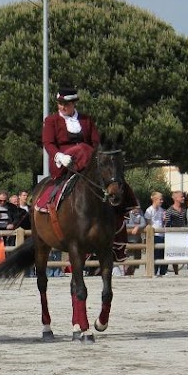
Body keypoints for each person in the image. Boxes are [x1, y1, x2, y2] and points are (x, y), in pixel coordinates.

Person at [41, 87, 133, 261]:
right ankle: (50, 210)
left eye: (65, 104)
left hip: (87, 160)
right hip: (64, 161)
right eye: (59, 104)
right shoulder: (51, 120)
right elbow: (48, 142)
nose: (61, 107)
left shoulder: (86, 120)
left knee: (114, 178)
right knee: (81, 150)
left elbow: (95, 143)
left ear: (73, 104)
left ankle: (121, 213)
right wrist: (59, 155)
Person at [144, 192, 167, 276]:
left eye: (162, 199)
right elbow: (148, 224)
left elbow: (163, 223)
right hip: (154, 235)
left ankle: (163, 272)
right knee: (155, 255)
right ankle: (153, 271)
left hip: (162, 234)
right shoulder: (149, 210)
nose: (162, 201)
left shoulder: (162, 210)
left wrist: (165, 219)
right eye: (160, 199)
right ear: (154, 199)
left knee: (163, 254)